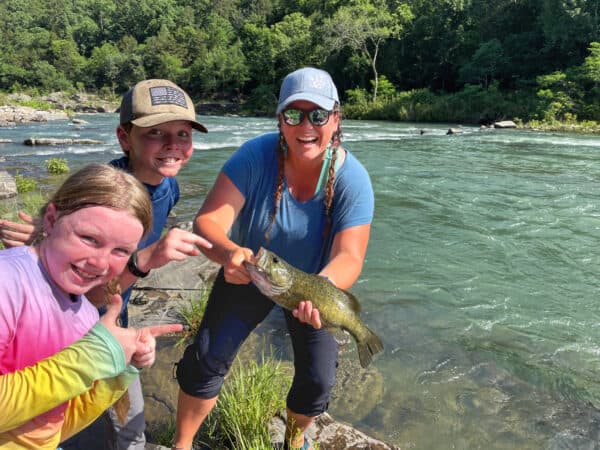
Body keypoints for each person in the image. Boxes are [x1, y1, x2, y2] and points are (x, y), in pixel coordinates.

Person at [0, 79, 212, 450]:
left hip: (107, 318)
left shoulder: (169, 186)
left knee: (95, 416)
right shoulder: (107, 192)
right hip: (84, 321)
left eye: (182, 134)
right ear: (124, 138)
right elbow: (90, 284)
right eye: (156, 133)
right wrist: (145, 258)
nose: (173, 145)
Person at [173, 67, 374, 450]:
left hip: (313, 288)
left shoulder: (354, 179)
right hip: (250, 274)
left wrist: (324, 290)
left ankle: (294, 441)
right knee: (206, 359)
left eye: (317, 115)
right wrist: (230, 253)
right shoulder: (255, 156)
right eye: (293, 114)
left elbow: (349, 255)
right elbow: (209, 221)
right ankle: (181, 444)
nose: (305, 125)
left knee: (317, 380)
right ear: (280, 119)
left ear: (335, 118)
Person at [0, 163, 184, 449]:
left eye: (121, 251)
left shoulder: (85, 312)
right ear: (50, 220)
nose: (100, 263)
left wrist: (122, 368)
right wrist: (91, 357)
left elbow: (54, 423)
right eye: (89, 239)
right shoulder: (9, 282)